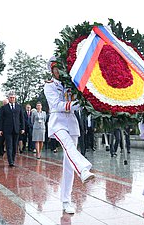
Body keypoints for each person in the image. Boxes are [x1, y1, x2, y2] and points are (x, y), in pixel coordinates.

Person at [44, 57, 95, 214]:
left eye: (61, 67)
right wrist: (77, 104)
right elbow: (56, 105)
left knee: (68, 164)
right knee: (68, 146)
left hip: (72, 123)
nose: (59, 71)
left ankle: (66, 201)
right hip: (58, 122)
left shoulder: (72, 84)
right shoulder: (49, 86)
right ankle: (84, 170)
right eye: (56, 68)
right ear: (52, 70)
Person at [0, 92, 25, 167]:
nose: (12, 99)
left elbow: (21, 118)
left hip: (16, 129)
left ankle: (13, 159)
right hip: (7, 129)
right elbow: (1, 119)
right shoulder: (4, 107)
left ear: (15, 98)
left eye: (13, 97)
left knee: (14, 145)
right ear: (8, 98)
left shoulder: (19, 107)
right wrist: (0, 129)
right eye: (10, 97)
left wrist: (22, 128)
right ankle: (10, 161)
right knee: (9, 145)